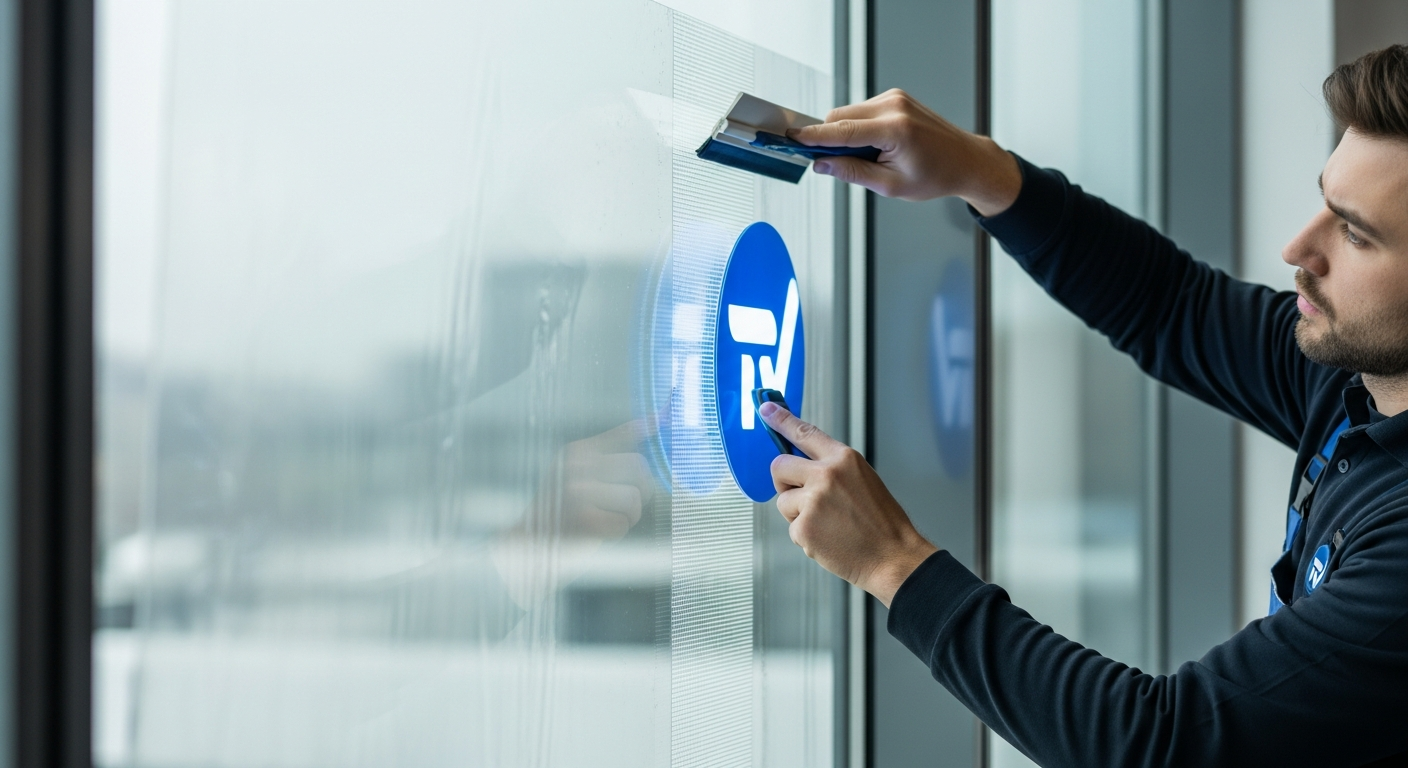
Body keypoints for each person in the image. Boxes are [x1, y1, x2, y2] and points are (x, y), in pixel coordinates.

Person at [759, 45, 1408, 767]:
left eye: (1354, 234)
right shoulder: (1360, 378)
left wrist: (893, 563)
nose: (1299, 248)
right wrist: (980, 170)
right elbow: (1170, 305)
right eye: (1325, 202)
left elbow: (1160, 745)